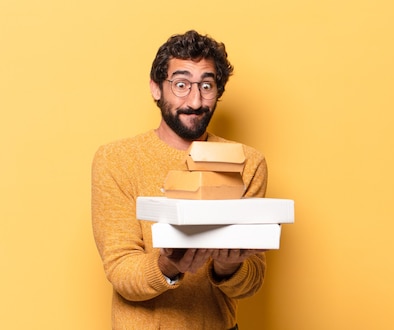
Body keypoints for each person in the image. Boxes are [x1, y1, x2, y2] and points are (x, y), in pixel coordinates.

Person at [91, 30, 268, 330]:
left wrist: (229, 267)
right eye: (181, 85)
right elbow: (121, 270)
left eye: (207, 86)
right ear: (156, 88)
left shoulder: (248, 163)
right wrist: (168, 265)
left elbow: (252, 282)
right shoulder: (115, 159)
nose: (195, 100)